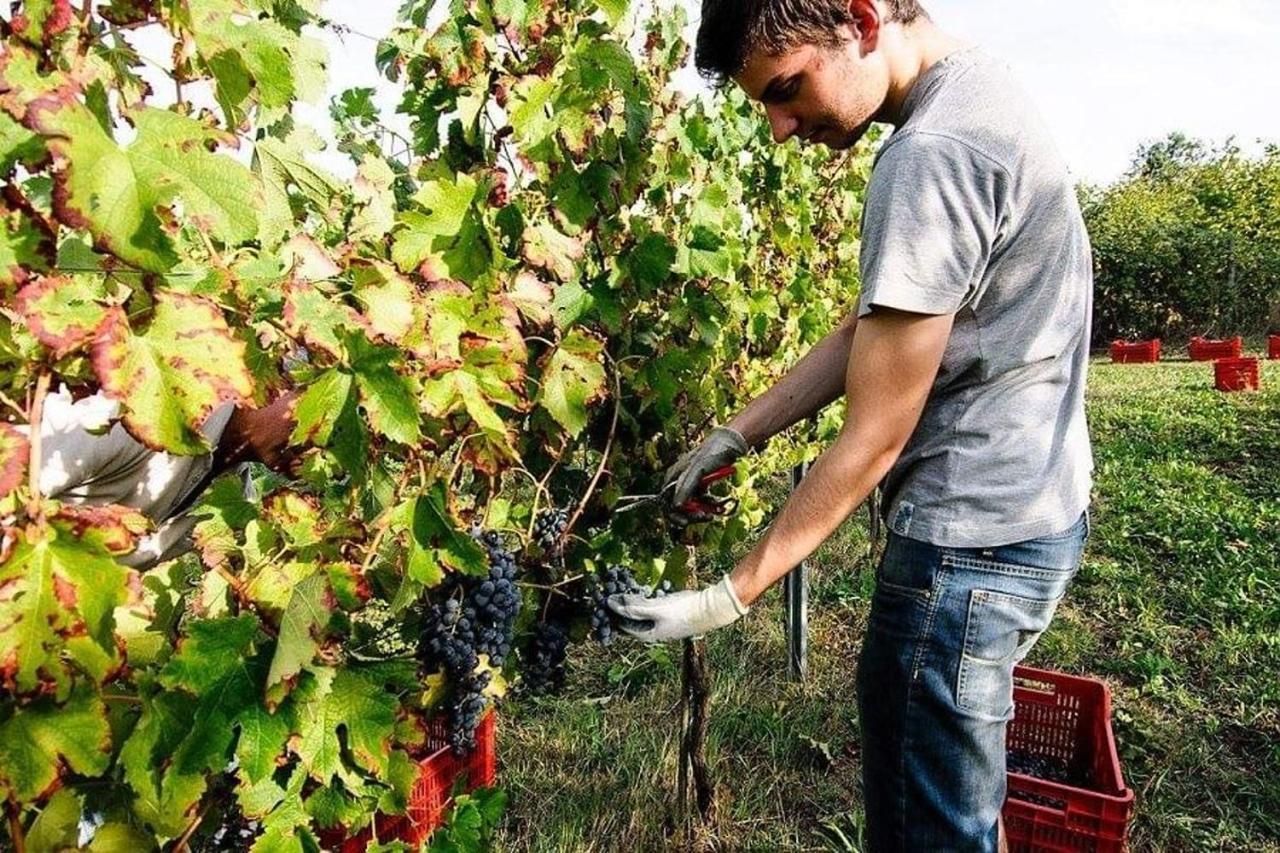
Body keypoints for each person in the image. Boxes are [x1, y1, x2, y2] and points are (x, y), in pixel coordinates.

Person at [607, 1, 1094, 850]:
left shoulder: (932, 154)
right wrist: (737, 434)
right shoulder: (981, 92)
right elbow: (872, 331)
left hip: (965, 551)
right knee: (959, 809)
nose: (781, 129)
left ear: (862, 21)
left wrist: (730, 594)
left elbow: (874, 436)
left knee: (930, 832)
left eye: (788, 90)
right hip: (1032, 514)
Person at [35, 388, 297, 569]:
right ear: (275, 384)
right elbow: (12, 478)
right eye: (319, 418)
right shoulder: (138, 417)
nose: (320, 444)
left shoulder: (236, 505)